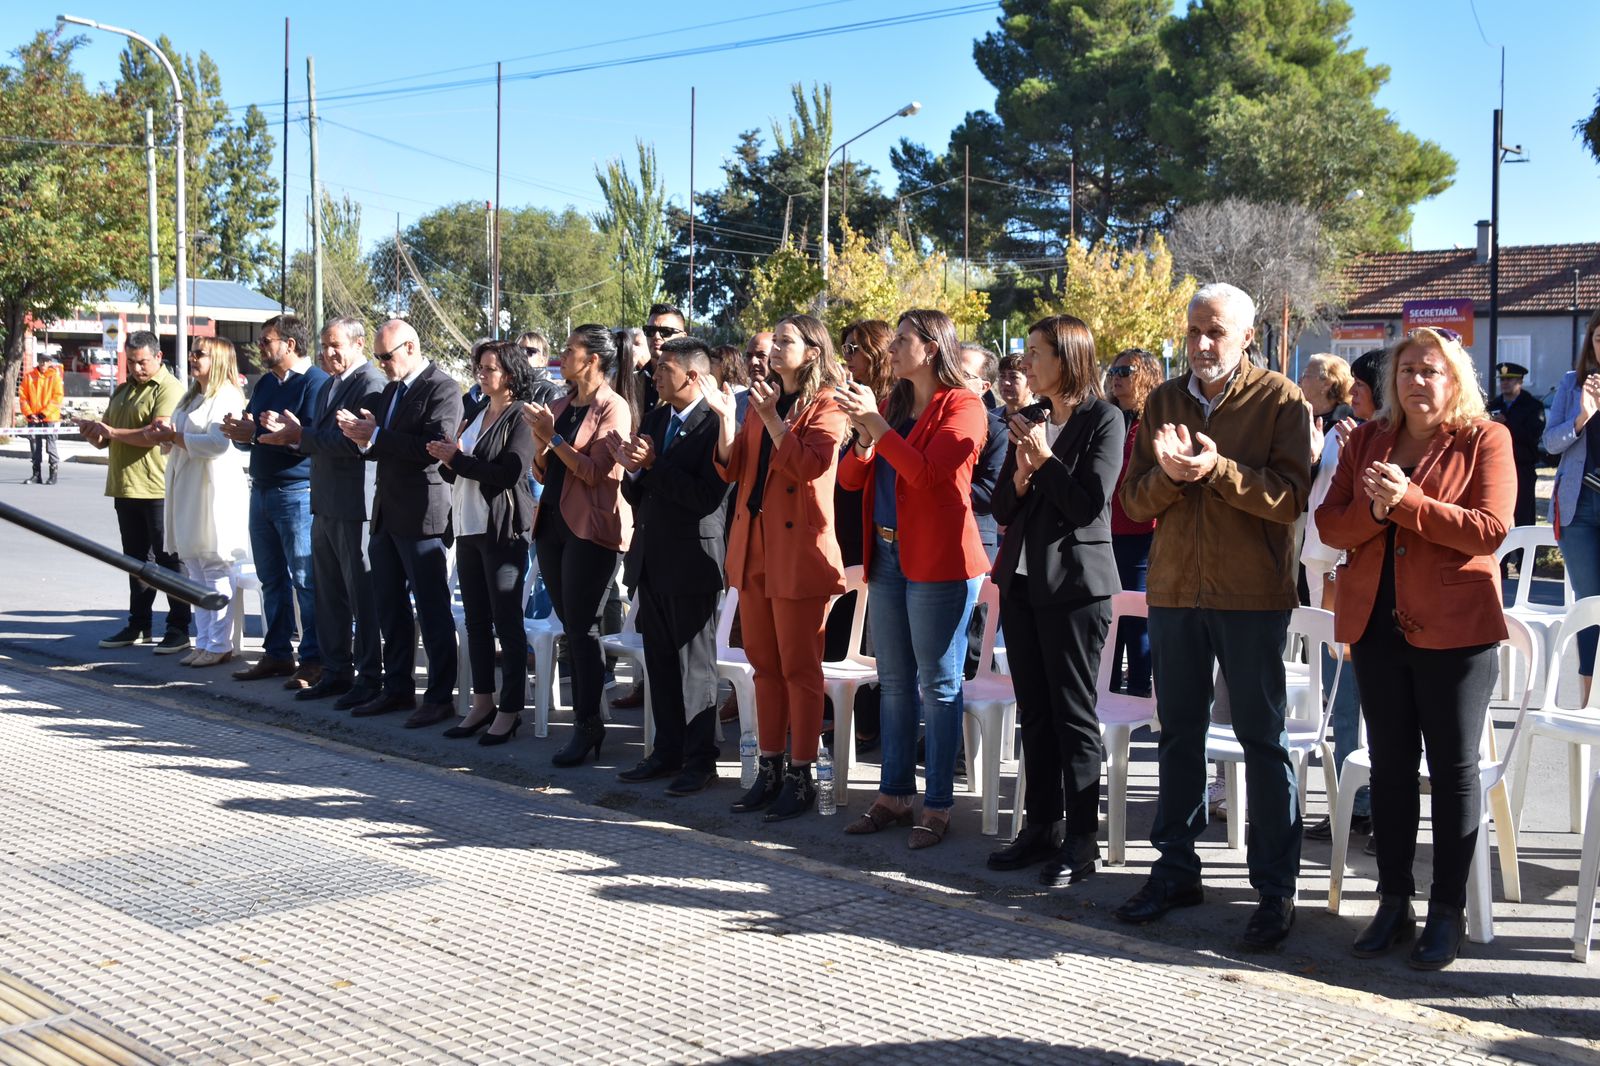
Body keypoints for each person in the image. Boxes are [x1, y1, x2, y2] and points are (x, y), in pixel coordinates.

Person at [1116, 282, 1312, 951]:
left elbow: (1289, 500)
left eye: (1217, 332)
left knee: (1263, 741)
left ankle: (1275, 890)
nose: (1202, 344)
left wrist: (1213, 468)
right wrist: (1171, 476)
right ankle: (1175, 870)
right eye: (1195, 330)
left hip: (1251, 597)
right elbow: (1136, 503)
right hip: (1173, 593)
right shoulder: (1164, 400)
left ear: (1247, 337)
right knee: (1176, 738)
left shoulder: (1281, 399)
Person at [1315, 326, 1514, 970]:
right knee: (1392, 768)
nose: (1416, 381)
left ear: (1454, 379)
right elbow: (1329, 522)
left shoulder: (1486, 438)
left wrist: (1407, 504)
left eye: (1430, 371)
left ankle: (1446, 912)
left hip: (1457, 629)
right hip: (1375, 624)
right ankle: (1394, 901)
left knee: (1454, 774)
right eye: (1406, 371)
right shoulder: (1369, 438)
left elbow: (1488, 531)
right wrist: (1377, 513)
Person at [835, 309, 990, 849]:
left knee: (939, 686)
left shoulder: (965, 407)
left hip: (939, 561)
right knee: (895, 683)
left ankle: (939, 804)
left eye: (902, 340)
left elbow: (928, 476)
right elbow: (851, 479)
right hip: (887, 555)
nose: (892, 348)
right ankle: (894, 794)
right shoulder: (895, 405)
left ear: (931, 348)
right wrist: (862, 437)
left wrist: (876, 426)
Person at [984, 315, 1124, 883]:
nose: (1026, 363)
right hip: (1019, 585)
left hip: (1074, 589)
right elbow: (1001, 508)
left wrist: (1043, 461)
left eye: (1037, 353)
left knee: (1073, 716)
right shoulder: (1033, 419)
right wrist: (1020, 477)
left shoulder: (1103, 420)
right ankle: (1041, 826)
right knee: (1035, 714)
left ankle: (1082, 841)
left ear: (1067, 359)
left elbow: (1088, 505)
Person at [711, 313, 847, 821]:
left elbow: (810, 467)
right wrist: (728, 420)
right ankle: (768, 768)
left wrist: (769, 417)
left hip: (798, 554)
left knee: (799, 670)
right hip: (754, 547)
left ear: (811, 351)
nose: (772, 350)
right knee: (763, 668)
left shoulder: (828, 405)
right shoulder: (759, 400)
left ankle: (802, 772)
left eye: (785, 341)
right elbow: (734, 468)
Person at [613, 336, 732, 794]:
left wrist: (654, 467)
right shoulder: (658, 416)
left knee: (695, 667)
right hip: (653, 556)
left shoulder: (714, 424)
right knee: (659, 662)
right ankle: (666, 751)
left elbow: (707, 498)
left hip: (693, 560)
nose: (656, 375)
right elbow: (641, 495)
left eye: (664, 369)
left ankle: (701, 760)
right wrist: (635, 471)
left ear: (692, 376)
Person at [337, 319, 463, 728]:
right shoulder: (392, 390)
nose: (381, 364)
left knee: (431, 610)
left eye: (386, 356)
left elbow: (433, 447)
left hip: (422, 515)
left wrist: (376, 437)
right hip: (387, 513)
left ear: (410, 347)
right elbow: (384, 447)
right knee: (389, 606)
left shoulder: (442, 388)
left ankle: (440, 696)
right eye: (377, 357)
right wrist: (362, 440)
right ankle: (397, 688)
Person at [259, 317, 388, 707]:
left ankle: (368, 678)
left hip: (354, 506)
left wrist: (301, 435)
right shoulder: (330, 384)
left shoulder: (370, 384)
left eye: (336, 345)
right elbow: (317, 436)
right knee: (329, 593)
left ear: (358, 344)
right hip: (325, 502)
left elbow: (353, 442)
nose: (328, 352)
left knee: (360, 596)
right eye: (325, 345)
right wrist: (294, 432)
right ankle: (335, 672)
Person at [524, 324, 637, 765]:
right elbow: (541, 472)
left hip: (591, 530)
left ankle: (588, 725)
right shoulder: (561, 403)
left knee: (582, 630)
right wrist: (540, 445)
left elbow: (595, 473)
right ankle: (587, 722)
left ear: (592, 360)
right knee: (571, 626)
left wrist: (553, 438)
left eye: (570, 350)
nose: (562, 355)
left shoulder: (615, 408)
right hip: (551, 524)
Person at [429, 340, 538, 745]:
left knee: (506, 622)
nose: (481, 374)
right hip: (468, 526)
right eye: (478, 367)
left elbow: (509, 472)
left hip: (501, 530)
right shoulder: (476, 411)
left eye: (489, 368)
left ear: (508, 374)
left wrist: (457, 460)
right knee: (476, 622)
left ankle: (510, 709)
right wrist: (447, 459)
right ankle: (482, 700)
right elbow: (462, 469)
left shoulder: (521, 416)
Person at [221, 315, 329, 690]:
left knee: (305, 580)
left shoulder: (316, 383)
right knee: (271, 578)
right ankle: (278, 654)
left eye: (267, 342)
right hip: (262, 489)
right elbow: (256, 434)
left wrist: (265, 433)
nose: (262, 348)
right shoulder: (266, 383)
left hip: (297, 493)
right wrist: (241, 433)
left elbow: (310, 439)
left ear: (290, 344)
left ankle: (314, 659)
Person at [1302, 348, 1383, 842]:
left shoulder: (1379, 438)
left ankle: (1363, 804)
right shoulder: (1341, 430)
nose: (1352, 394)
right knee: (1337, 691)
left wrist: (1361, 454)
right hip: (1320, 564)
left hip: (1345, 569)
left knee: (1352, 691)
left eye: (1360, 387)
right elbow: (1321, 494)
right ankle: (1348, 801)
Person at [78, 331, 192, 653]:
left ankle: (179, 627)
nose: (137, 368)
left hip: (157, 488)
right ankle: (139, 624)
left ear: (158, 357)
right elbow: (107, 438)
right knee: (135, 562)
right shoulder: (124, 391)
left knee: (170, 561)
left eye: (142, 362)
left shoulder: (170, 389)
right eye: (131, 362)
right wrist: (93, 433)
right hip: (126, 486)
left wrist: (112, 431)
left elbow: (154, 434)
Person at [152, 338, 250, 668]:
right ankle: (204, 640)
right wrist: (166, 433)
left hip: (214, 489)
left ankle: (220, 642)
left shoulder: (227, 395)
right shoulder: (192, 394)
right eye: (191, 352)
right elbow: (179, 432)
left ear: (219, 358)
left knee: (215, 564)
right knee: (193, 565)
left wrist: (174, 437)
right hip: (187, 483)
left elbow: (217, 443)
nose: (192, 358)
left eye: (199, 353)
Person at [829, 320, 895, 746]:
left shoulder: (890, 403)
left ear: (876, 352)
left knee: (869, 629)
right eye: (845, 346)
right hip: (842, 520)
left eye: (854, 347)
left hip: (874, 523)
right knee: (841, 619)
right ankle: (840, 716)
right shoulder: (844, 398)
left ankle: (868, 725)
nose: (847, 356)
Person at [1542, 308, 1600, 707]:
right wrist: (1580, 418)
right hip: (1578, 507)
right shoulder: (1571, 383)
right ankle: (1587, 702)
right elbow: (1550, 443)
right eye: (1599, 337)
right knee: (1589, 603)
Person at [1105, 348, 1163, 698]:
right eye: (1114, 370)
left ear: (1147, 377)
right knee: (1107, 619)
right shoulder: (1109, 417)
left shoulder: (1152, 424)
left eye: (1125, 370)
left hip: (1141, 533)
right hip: (1105, 533)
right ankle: (1106, 690)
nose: (1117, 376)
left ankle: (1140, 693)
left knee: (1135, 620)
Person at [960, 343, 1008, 564]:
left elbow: (991, 492)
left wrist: (938, 486)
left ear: (984, 386)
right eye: (949, 369)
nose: (952, 379)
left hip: (974, 541)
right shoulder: (923, 421)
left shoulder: (997, 431)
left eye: (963, 374)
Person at [1488, 361, 1545, 528]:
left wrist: (1508, 423)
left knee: (1523, 515)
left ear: (1520, 381)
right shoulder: (1493, 405)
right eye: (1502, 380)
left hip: (1522, 467)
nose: (1504, 383)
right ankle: (1502, 553)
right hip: (1496, 466)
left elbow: (1534, 435)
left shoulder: (1533, 406)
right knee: (1496, 514)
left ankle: (1522, 554)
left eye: (1510, 380)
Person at [20, 354, 64, 485]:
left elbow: (57, 398)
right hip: (33, 417)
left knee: (51, 445)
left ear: (50, 362)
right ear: (38, 362)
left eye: (46, 361)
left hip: (50, 417)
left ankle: (53, 475)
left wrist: (43, 414)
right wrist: (29, 414)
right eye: (41, 361)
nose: (43, 364)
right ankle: (36, 475)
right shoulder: (29, 376)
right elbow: (23, 398)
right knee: (34, 445)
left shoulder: (54, 377)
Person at [710, 343, 751, 426]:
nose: (708, 367)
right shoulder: (714, 391)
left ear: (724, 365)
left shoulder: (741, 395)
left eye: (712, 363)